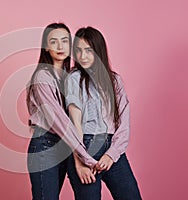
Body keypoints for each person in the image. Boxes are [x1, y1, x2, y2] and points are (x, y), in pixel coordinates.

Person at [65, 27, 142, 200]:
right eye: (78, 50)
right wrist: (80, 161)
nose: (82, 56)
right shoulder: (74, 78)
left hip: (111, 146)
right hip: (84, 146)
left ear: (98, 51)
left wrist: (111, 154)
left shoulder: (114, 81)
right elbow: (74, 123)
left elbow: (123, 122)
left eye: (88, 50)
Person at [26, 23, 97, 200]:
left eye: (65, 41)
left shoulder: (71, 76)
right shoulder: (42, 76)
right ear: (46, 47)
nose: (60, 46)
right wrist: (84, 155)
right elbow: (59, 121)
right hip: (46, 146)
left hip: (66, 145)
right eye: (54, 42)